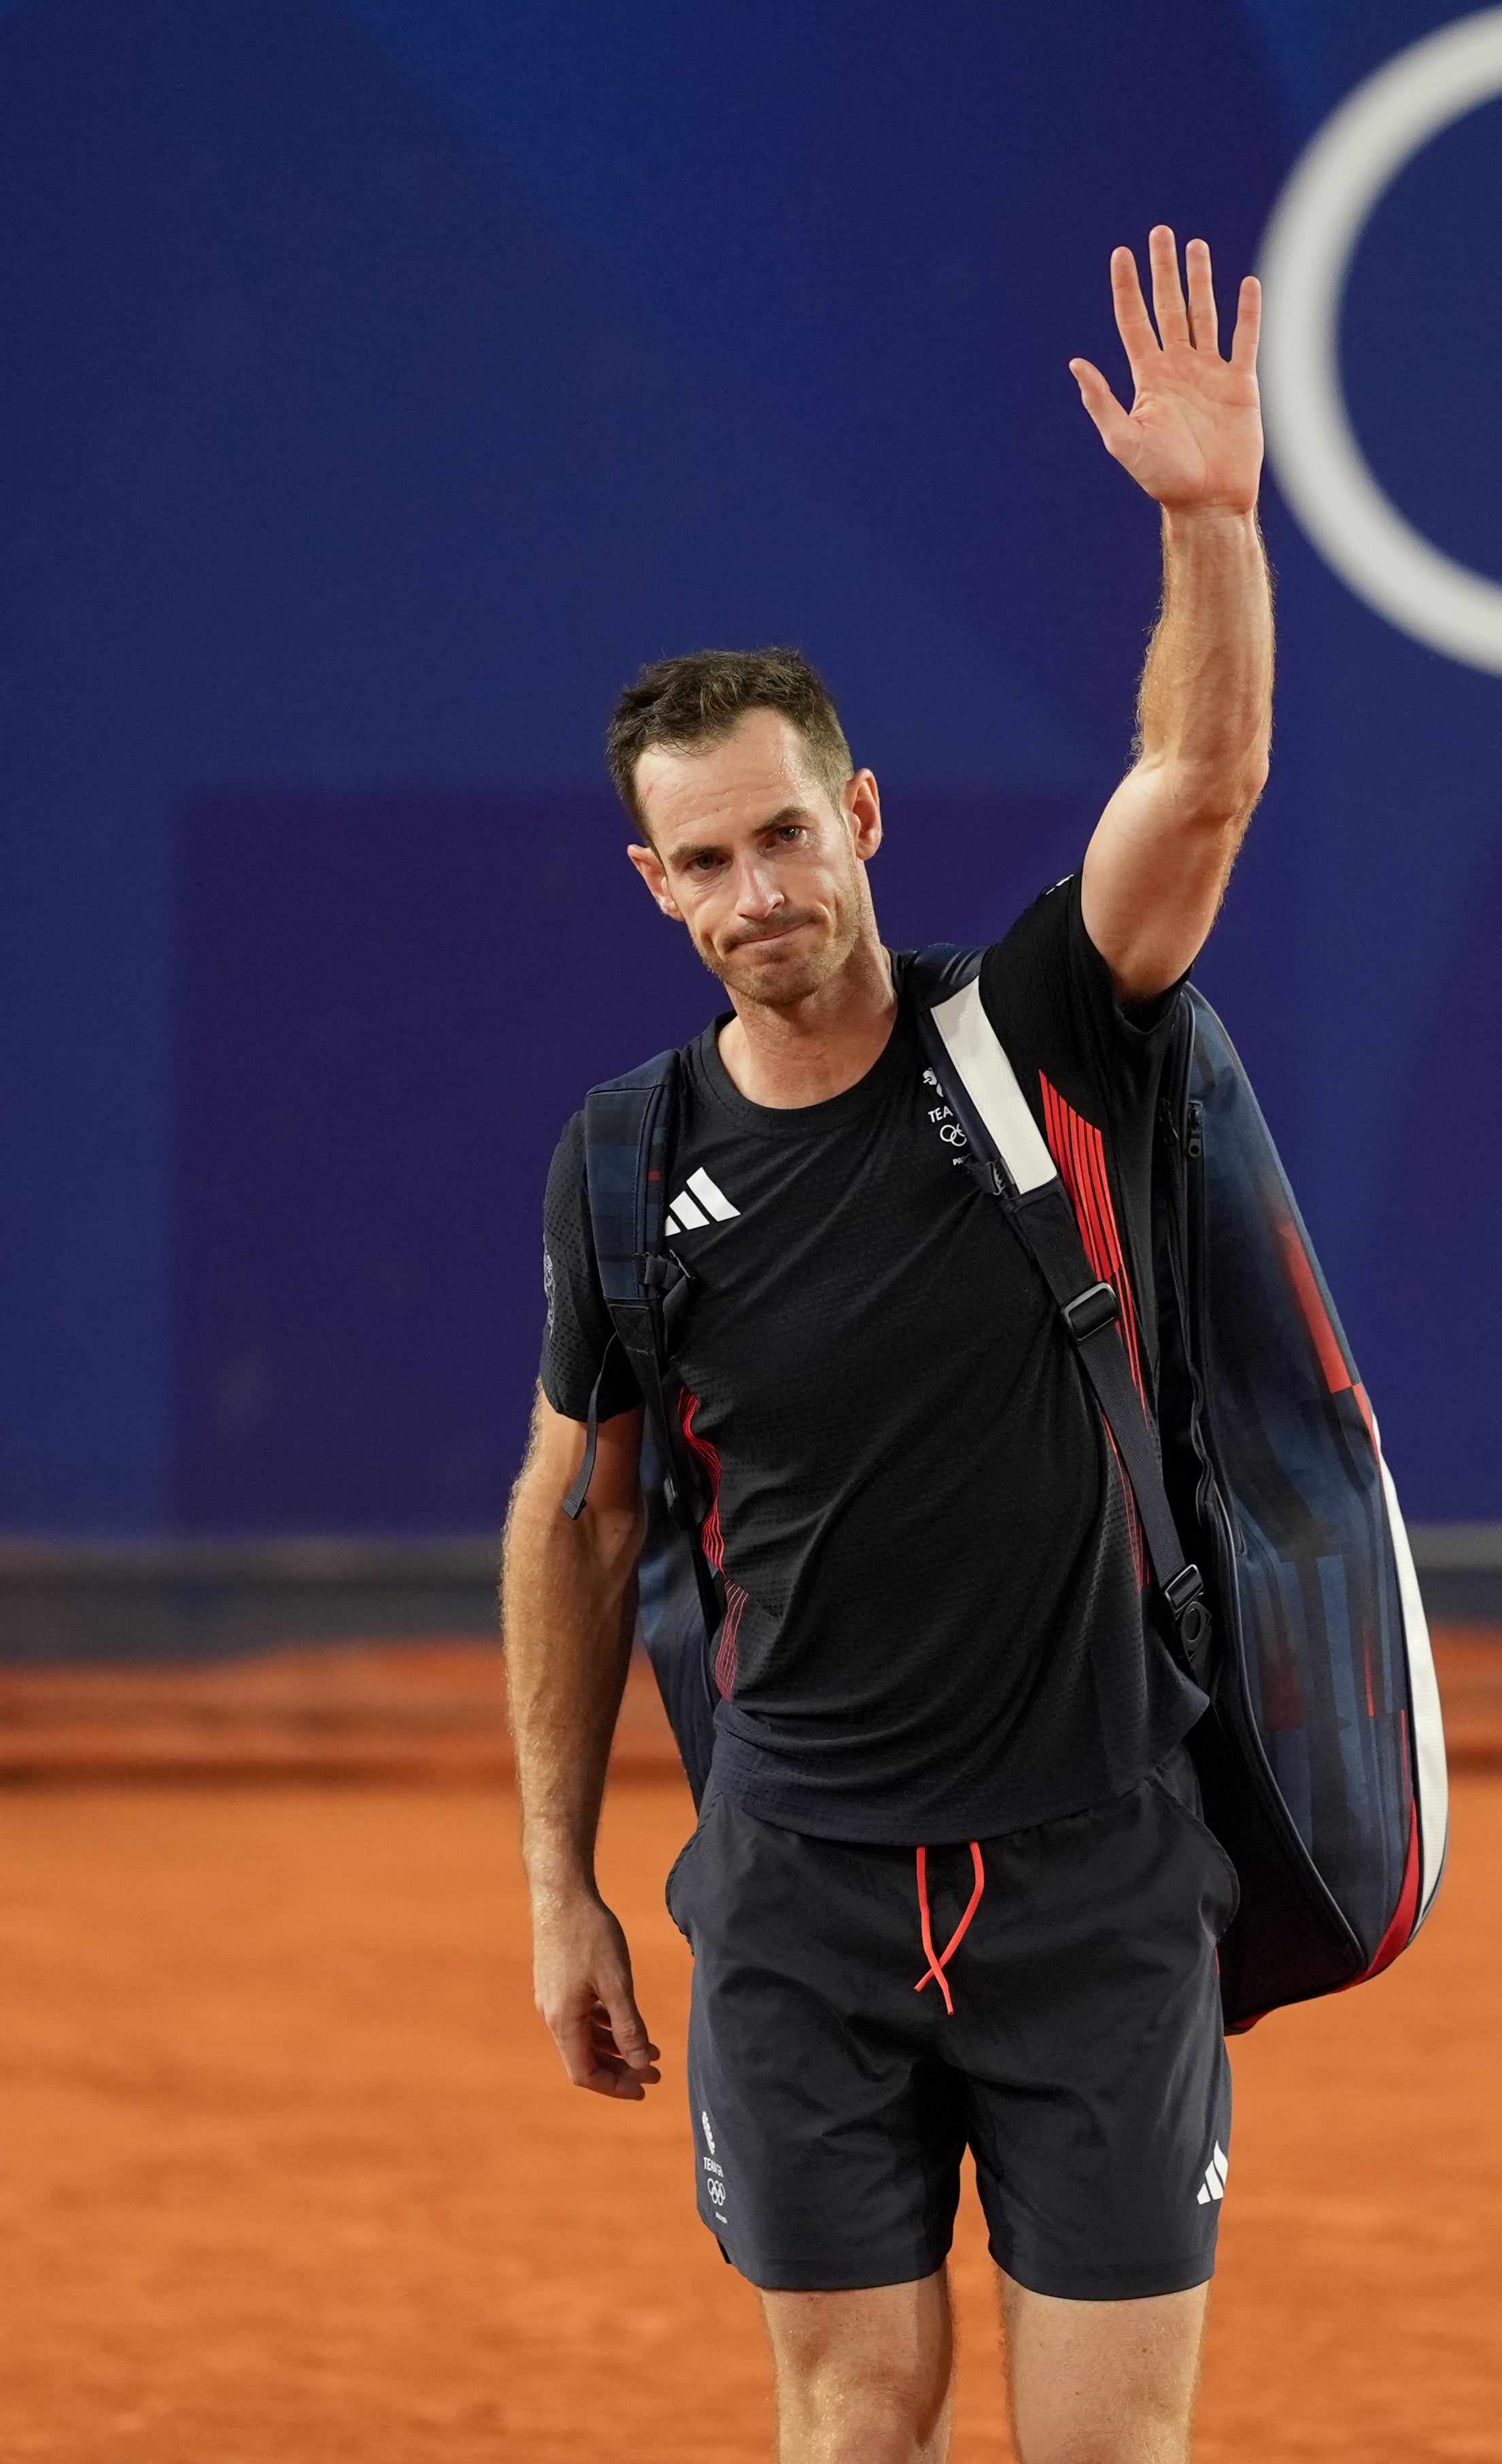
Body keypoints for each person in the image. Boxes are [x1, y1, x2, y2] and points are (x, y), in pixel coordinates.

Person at [502, 226, 1273, 2464]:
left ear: (858, 818)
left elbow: (1195, 790)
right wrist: (555, 1884)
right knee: (853, 2425)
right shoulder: (624, 1160)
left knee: (1105, 2449)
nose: (755, 893)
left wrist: (1205, 528)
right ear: (653, 887)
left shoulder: (1036, 1033)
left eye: (782, 836)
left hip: (1096, 1871)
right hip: (797, 1894)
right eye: (700, 862)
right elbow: (582, 1510)